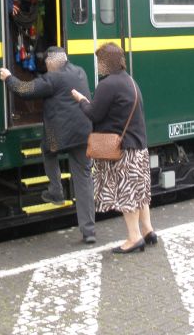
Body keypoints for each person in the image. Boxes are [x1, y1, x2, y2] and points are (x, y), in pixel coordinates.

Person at [0, 47, 96, 244]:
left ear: (52, 62)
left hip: (58, 136)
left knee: (47, 150)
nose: (45, 65)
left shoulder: (52, 78)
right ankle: (89, 232)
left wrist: (8, 77)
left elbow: (25, 90)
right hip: (85, 133)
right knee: (84, 180)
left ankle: (56, 191)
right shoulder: (80, 71)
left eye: (46, 62)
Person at [71, 42, 155, 254]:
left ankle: (134, 238)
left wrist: (81, 100)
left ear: (107, 63)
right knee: (139, 192)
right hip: (138, 146)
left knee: (127, 194)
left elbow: (93, 114)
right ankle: (148, 230)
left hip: (123, 150)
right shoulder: (129, 81)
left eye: (100, 61)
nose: (98, 66)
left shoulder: (108, 84)